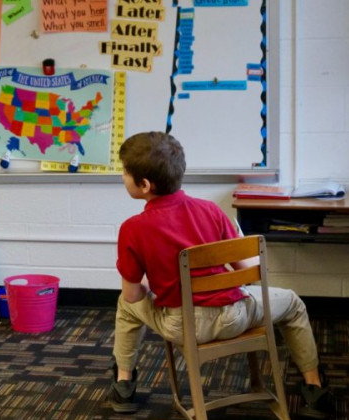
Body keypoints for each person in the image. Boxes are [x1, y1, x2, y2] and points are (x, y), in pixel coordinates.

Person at [109, 131, 336, 419]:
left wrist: (146, 285)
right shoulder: (211, 210)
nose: (122, 177)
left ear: (144, 185)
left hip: (184, 325)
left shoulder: (133, 228)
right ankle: (314, 390)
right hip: (236, 316)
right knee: (292, 303)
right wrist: (239, 237)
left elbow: (133, 295)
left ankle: (124, 385)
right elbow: (247, 273)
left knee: (125, 305)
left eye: (124, 173)